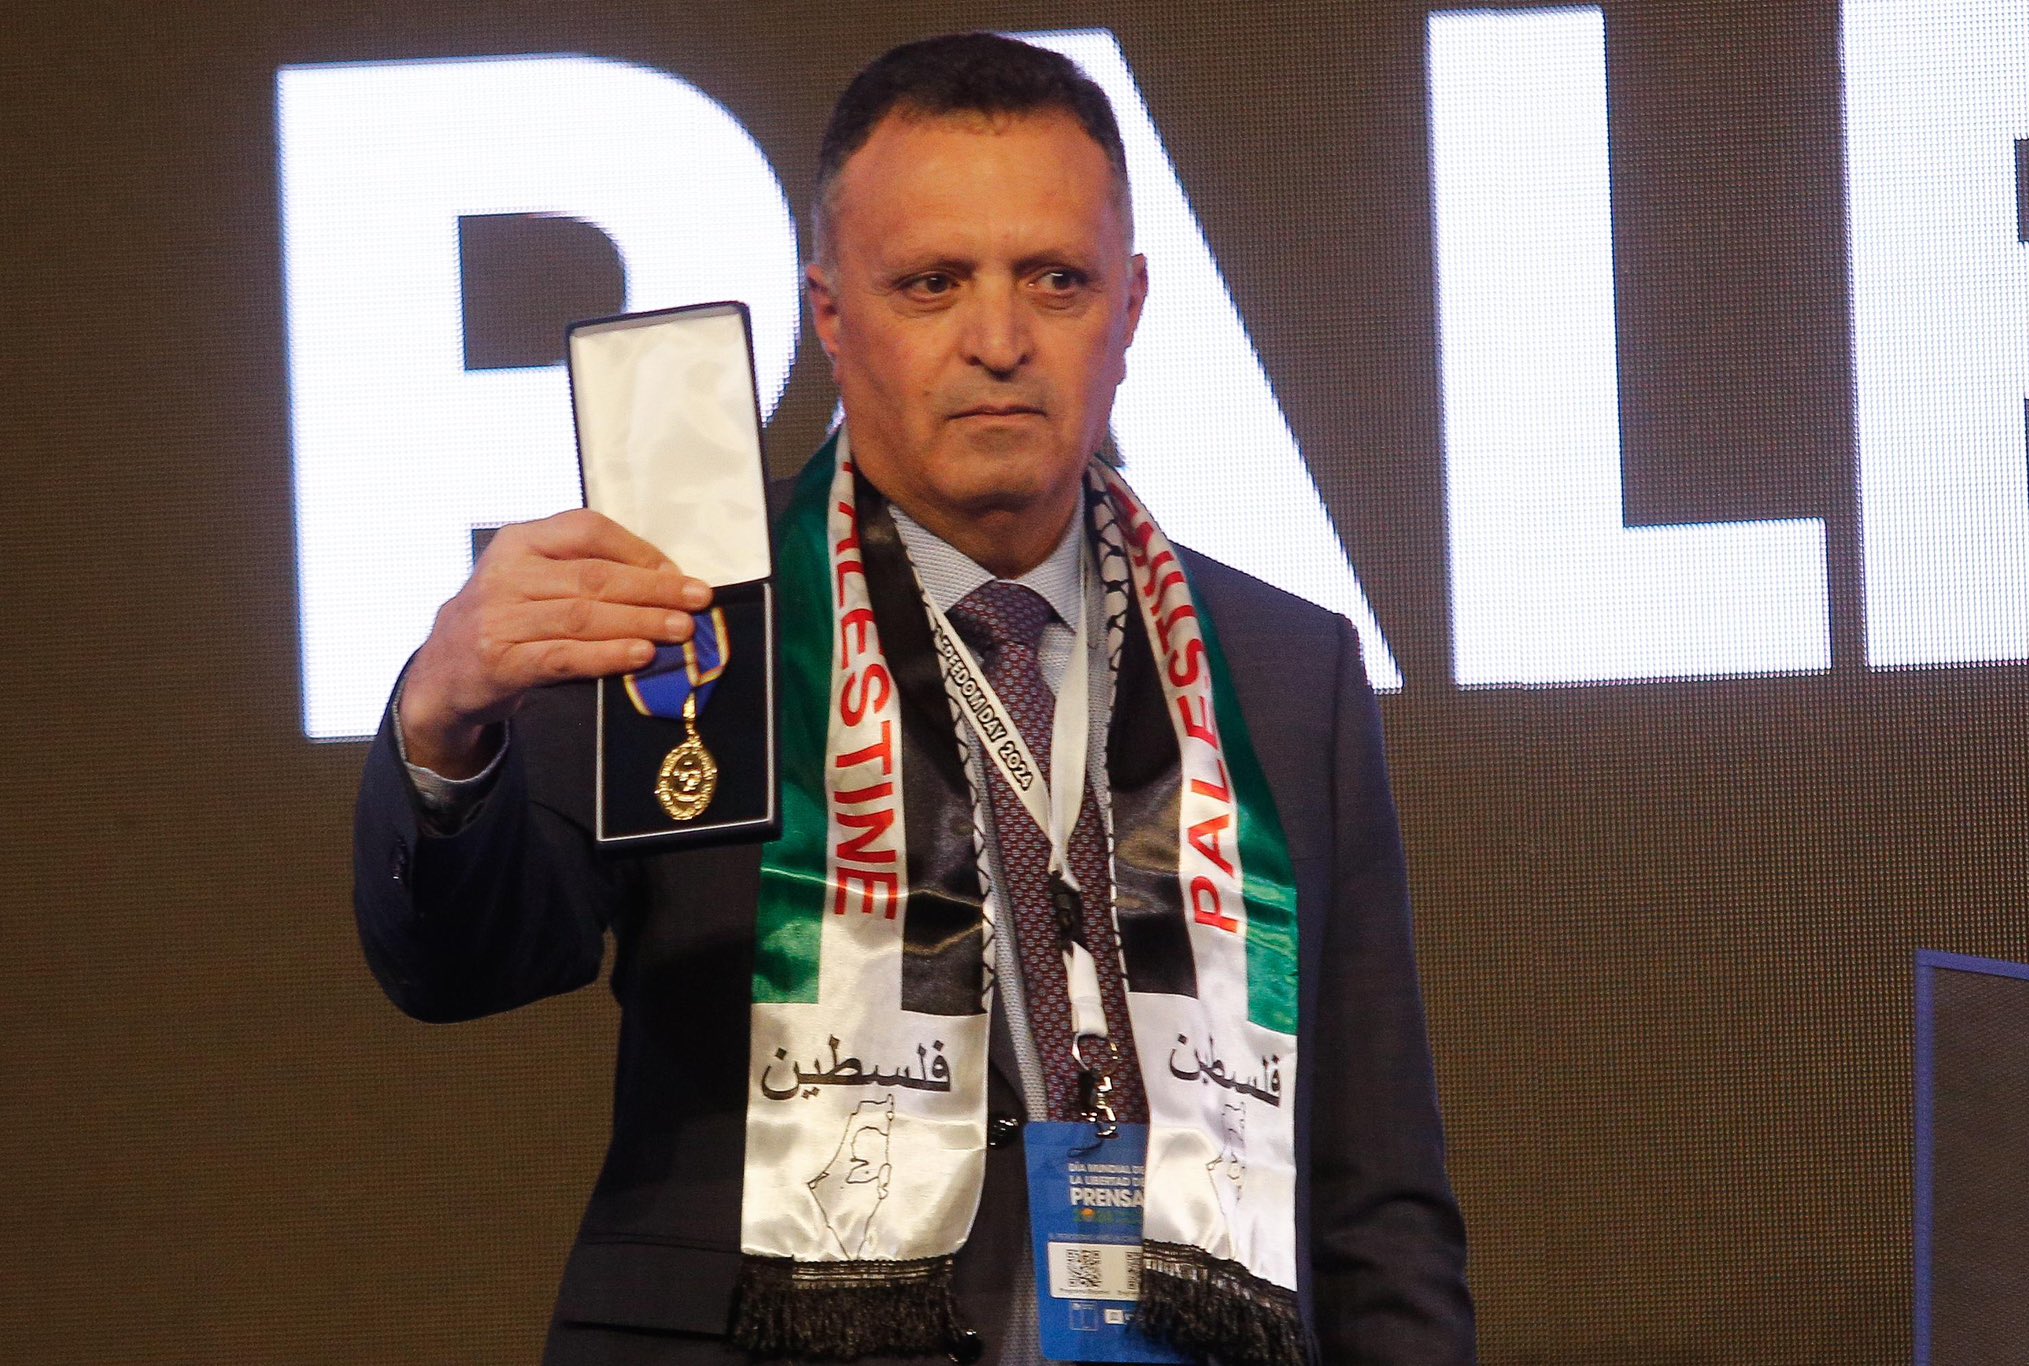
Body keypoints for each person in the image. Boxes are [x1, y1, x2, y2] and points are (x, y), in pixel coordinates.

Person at [355, 32, 1474, 1366]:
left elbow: (1373, 1198)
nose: (998, 341)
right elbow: (466, 964)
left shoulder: (1289, 668)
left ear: (1128, 306)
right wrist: (444, 728)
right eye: (933, 284)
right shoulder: (686, 608)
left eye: (1054, 279)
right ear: (833, 317)